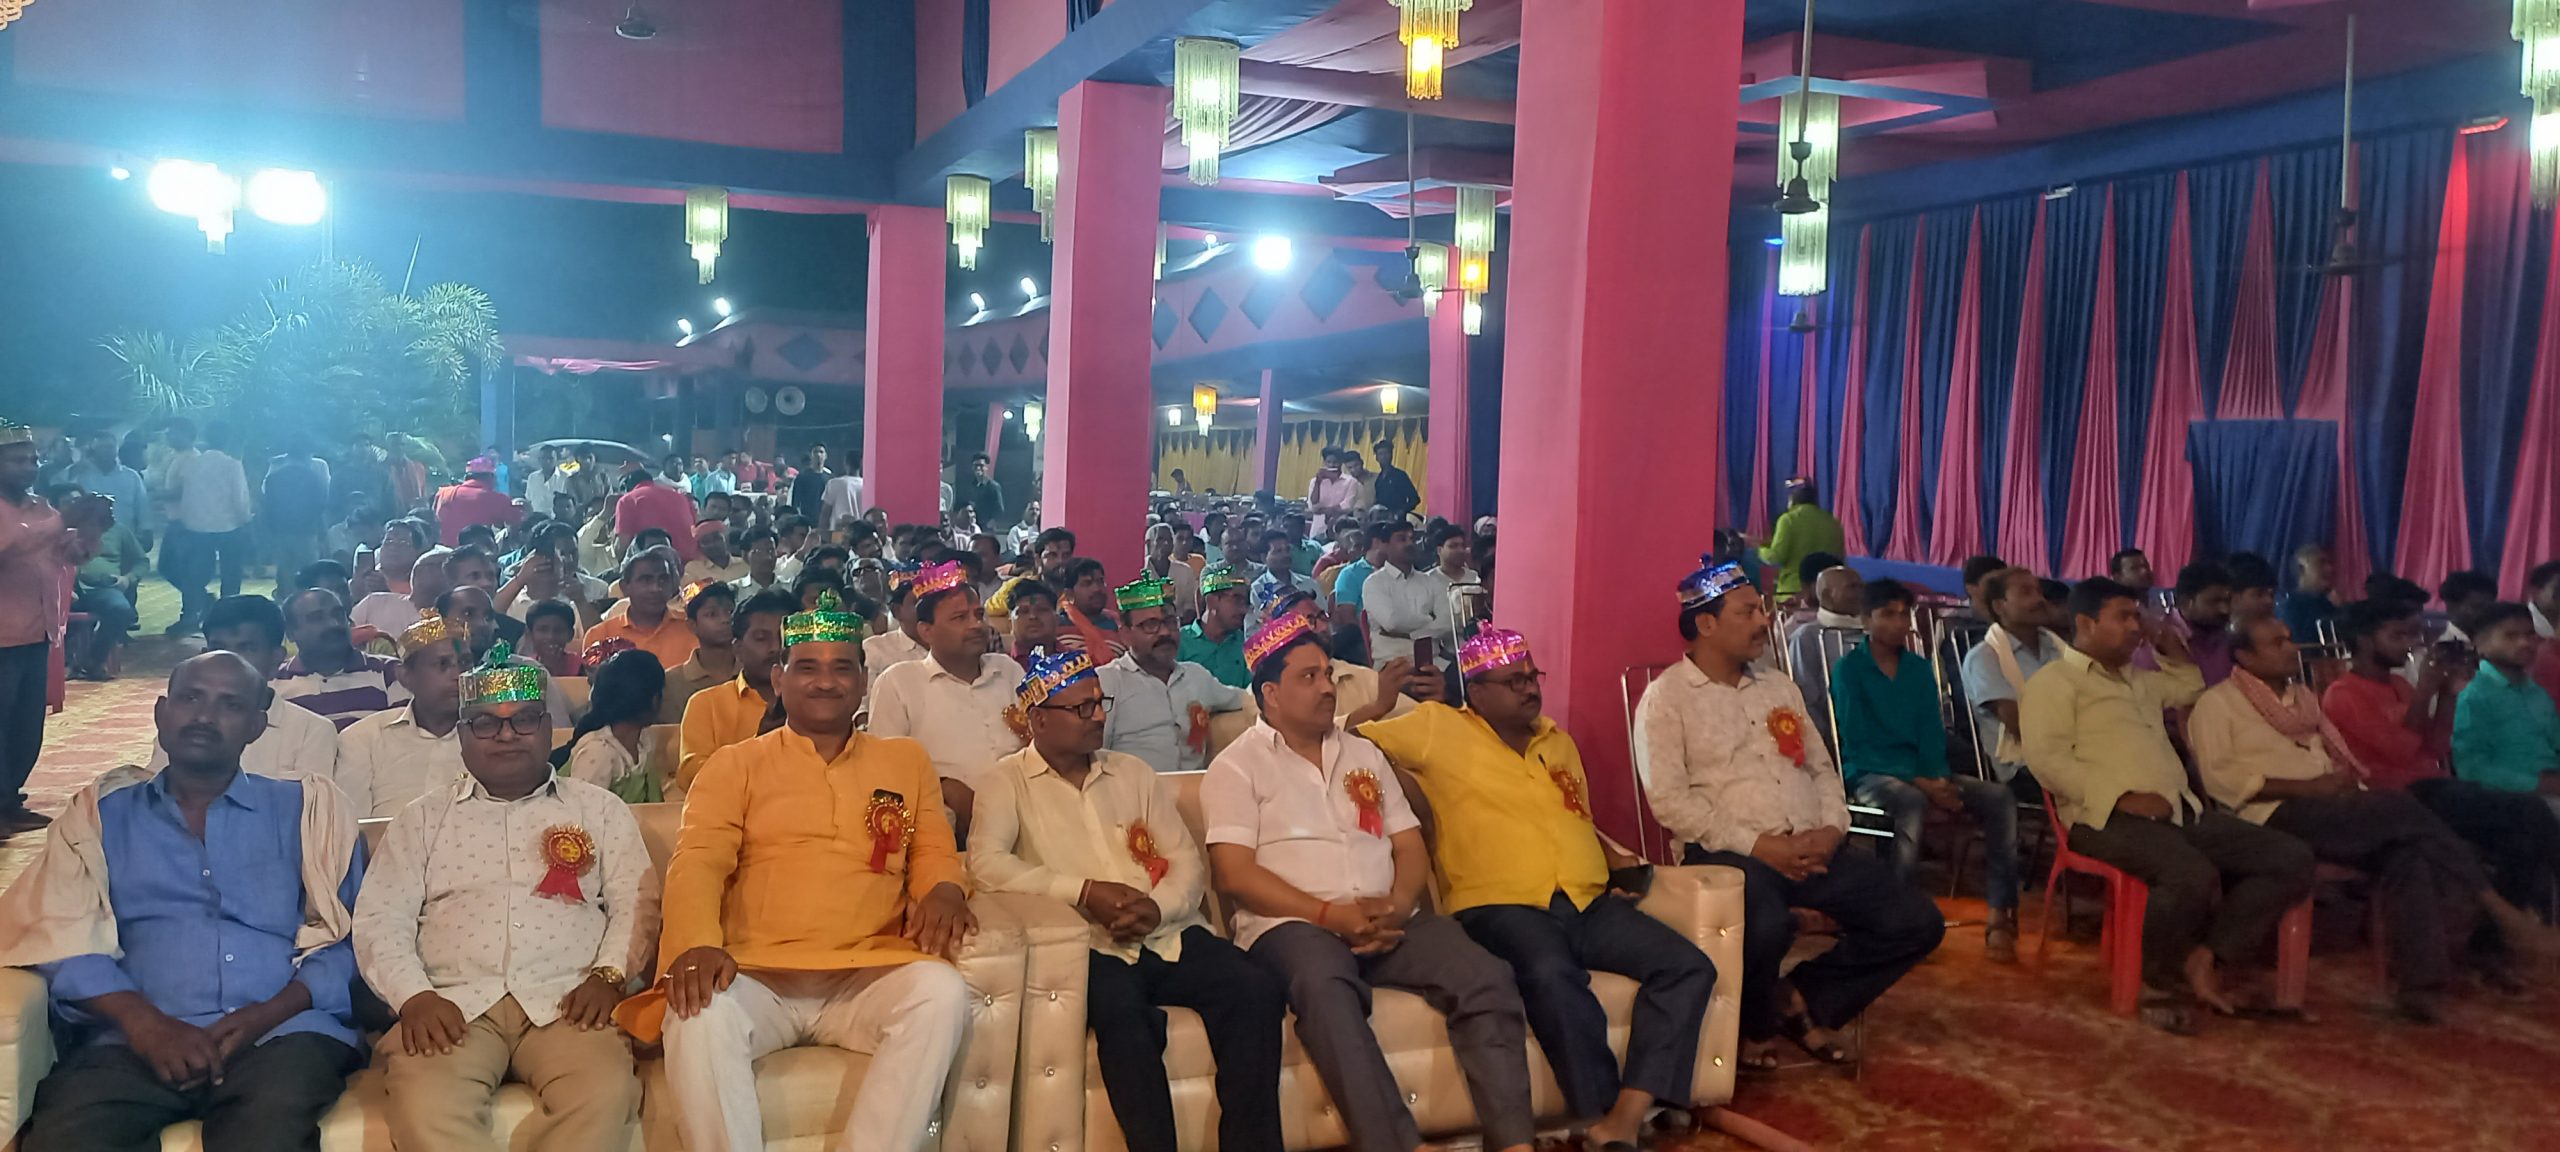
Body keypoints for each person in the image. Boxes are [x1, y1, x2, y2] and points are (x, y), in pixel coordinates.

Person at [623, 588, 976, 1152]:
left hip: (866, 972)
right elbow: (699, 860)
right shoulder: (735, 764)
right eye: (807, 667)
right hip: (754, 973)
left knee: (940, 992)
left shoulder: (905, 760)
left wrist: (944, 890)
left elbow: (934, 848)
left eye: (842, 668)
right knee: (697, 1013)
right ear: (779, 678)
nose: (825, 682)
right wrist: (694, 944)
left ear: (863, 681)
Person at [1353, 627, 1715, 1147]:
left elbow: (1573, 816)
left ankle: (1627, 1114)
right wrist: (1380, 704)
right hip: (1499, 904)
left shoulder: (1557, 741)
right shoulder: (1437, 726)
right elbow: (1349, 742)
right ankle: (1597, 1115)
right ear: (1477, 692)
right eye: (1513, 681)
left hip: (1586, 898)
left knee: (1687, 966)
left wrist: (1613, 862)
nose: (1529, 688)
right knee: (1549, 973)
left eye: (1531, 676)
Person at [0, 651, 365, 1152]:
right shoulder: (99, 816)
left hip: (281, 1035)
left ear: (257, 726)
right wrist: (146, 1025)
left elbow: (346, 939)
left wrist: (265, 1015)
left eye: (229, 704)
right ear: (160, 712)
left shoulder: (306, 812)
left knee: (267, 1132)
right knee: (67, 1139)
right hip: (134, 1039)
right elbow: (57, 935)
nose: (204, 716)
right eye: (190, 698)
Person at [1201, 612, 1537, 1152]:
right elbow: (1233, 873)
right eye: (1308, 677)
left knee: (1485, 975)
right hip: (1294, 925)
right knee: (1326, 989)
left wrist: (1400, 904)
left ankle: (1515, 1141)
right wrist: (1331, 915)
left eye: (1327, 674)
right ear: (1270, 694)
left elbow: (1409, 844)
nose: (1326, 687)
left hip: (1387, 915)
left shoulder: (1364, 753)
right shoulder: (1237, 767)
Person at [970, 649, 1285, 1152]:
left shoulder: (1133, 773)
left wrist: (1157, 908)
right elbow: (986, 865)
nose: (1098, 716)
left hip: (1167, 933)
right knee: (1124, 1017)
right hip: (1088, 946)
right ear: (1039, 720)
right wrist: (1084, 892)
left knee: (1255, 989)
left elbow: (1184, 861)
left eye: (1100, 703)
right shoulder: (1004, 781)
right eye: (1082, 708)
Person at [1635, 561, 1942, 1067]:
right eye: (1747, 612)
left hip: (1812, 847)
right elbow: (1670, 802)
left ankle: (1802, 999)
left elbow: (1822, 769)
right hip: (1728, 853)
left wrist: (1832, 829)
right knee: (1765, 924)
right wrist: (1761, 846)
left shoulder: (1779, 687)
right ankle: (1755, 1025)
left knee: (1917, 920)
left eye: (1761, 609)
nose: (1763, 621)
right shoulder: (1667, 699)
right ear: (1706, 624)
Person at [2192, 613, 2557, 1020]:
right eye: (2277, 643)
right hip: (2273, 814)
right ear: (2244, 656)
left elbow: (2362, 757)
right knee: (2399, 808)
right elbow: (2222, 781)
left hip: (2337, 807)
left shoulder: (2303, 700)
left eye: (2289, 638)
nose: (2292, 648)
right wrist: (2310, 788)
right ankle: (2497, 908)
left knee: (2408, 854)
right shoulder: (2217, 705)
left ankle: (2418, 989)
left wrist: (2337, 783)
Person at [353, 646, 647, 1151]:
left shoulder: (600, 809)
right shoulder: (421, 819)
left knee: (603, 1095)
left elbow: (635, 902)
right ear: (463, 735)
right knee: (425, 1110)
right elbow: (381, 918)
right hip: (451, 1005)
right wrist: (414, 997)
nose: (507, 735)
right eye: (487, 723)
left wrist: (609, 976)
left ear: (548, 728)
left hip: (571, 1002)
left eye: (524, 720)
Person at [2021, 577, 2314, 1033]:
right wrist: (2121, 798)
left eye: (2137, 616)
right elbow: (2047, 761)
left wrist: (2169, 646)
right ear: (2086, 623)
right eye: (2123, 617)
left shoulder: (2140, 681)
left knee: (2290, 857)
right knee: (2190, 873)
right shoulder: (2053, 683)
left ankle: (2208, 957)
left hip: (2177, 811)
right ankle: (2155, 981)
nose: (2135, 626)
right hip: (2103, 818)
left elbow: (2191, 686)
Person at [2326, 598, 2560, 926]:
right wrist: (2425, 691)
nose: (2409, 644)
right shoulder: (2343, 694)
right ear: (2365, 641)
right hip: (2396, 797)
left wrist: (2447, 694)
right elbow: (2400, 750)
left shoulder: (2399, 685)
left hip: (2435, 787)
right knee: (2530, 811)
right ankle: (2509, 928)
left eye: (2411, 635)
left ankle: (2495, 934)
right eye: (2397, 636)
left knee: (2521, 835)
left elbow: (2435, 748)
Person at [1831, 579, 2021, 960]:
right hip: (1868, 771)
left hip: (1924, 772)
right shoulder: (1849, 669)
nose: (1899, 623)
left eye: (1904, 615)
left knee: (1999, 797)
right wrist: (1924, 783)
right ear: (1866, 620)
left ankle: (2001, 914)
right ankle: (1895, 916)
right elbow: (1858, 745)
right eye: (1888, 614)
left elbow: (1933, 733)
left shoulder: (1918, 669)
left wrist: (1937, 779)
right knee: (1911, 801)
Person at [2, 423, 104, 831]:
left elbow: (67, 555)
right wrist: (61, 522)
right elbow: (7, 546)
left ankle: (9, 800)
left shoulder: (40, 507)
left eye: (33, 460)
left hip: (38, 632)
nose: (29, 467)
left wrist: (91, 529)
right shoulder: (42, 516)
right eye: (17, 461)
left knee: (26, 726)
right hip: (2, 638)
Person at [868, 564, 1027, 823]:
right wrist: (942, 787)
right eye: (960, 618)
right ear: (926, 631)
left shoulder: (1008, 670)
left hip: (1027, 807)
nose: (976, 625)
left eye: (979, 615)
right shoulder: (898, 682)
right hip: (947, 820)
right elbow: (885, 767)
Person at [144, 596, 339, 784]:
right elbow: (157, 792)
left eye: (247, 648)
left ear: (275, 659)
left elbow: (309, 803)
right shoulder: (185, 720)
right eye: (218, 648)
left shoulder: (311, 731)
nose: (230, 660)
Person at [1098, 577, 1248, 775]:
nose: (1164, 633)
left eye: (1170, 622)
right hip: (1134, 790)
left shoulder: (1195, 675)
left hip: (1195, 787)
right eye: (1150, 625)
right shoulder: (1108, 681)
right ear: (1125, 634)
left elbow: (1246, 700)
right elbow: (1093, 754)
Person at [336, 613, 470, 819]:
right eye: (442, 664)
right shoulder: (363, 738)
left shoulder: (492, 735)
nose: (458, 675)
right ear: (405, 676)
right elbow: (352, 825)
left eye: (465, 663)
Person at [675, 589, 795, 794]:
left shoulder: (817, 700)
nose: (776, 648)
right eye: (761, 638)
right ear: (737, 649)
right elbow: (693, 775)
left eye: (786, 638)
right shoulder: (706, 704)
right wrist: (758, 748)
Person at [1958, 569, 2068, 785]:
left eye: (2039, 592)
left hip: (2074, 751)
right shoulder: (1985, 657)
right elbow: (2020, 726)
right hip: (2023, 767)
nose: (2039, 600)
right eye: (2026, 593)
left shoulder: (2057, 646)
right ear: (2000, 606)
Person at [2450, 601, 2560, 816]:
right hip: (2511, 801)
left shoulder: (2536, 693)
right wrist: (2538, 784)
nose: (2525, 643)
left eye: (2529, 635)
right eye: (2510, 636)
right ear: (2479, 644)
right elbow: (2471, 769)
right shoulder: (2473, 695)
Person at [161, 421, 254, 635]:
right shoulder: (233, 464)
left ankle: (190, 618)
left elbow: (187, 497)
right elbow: (240, 499)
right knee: (231, 576)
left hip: (197, 528)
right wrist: (245, 521)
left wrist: (188, 521)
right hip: (229, 528)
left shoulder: (192, 464)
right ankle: (229, 618)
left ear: (205, 438)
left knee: (193, 577)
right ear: (226, 440)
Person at [68, 483, 148, 680]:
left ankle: (94, 659)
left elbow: (141, 561)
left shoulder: (119, 531)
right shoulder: (63, 530)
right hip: (66, 588)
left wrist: (127, 579)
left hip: (102, 588)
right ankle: (64, 661)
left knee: (121, 610)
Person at [582, 548, 697, 670]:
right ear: (625, 587)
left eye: (663, 579)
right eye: (646, 580)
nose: (656, 588)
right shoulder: (601, 635)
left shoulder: (692, 628)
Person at [1361, 520, 1449, 671]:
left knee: (1465, 678)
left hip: (1432, 661)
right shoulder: (1374, 583)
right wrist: (1430, 619)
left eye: (1412, 539)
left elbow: (1446, 624)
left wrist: (1408, 634)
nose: (1410, 543)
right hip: (1392, 663)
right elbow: (1392, 622)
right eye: (1402, 539)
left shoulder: (1430, 581)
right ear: (1386, 545)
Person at [2139, 560, 2237, 686]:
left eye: (2227, 601)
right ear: (2186, 603)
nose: (2225, 609)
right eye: (2214, 601)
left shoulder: (2229, 639)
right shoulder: (2159, 640)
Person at [1757, 477, 1845, 601]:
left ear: (1792, 499)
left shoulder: (1788, 520)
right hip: (1827, 593)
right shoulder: (1833, 522)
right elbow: (1839, 559)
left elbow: (1775, 557)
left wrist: (1760, 549)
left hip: (1793, 593)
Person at [1181, 565, 1253, 688]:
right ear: (1212, 601)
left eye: (1246, 603)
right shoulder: (1180, 642)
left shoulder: (1245, 644)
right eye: (1237, 601)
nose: (1243, 610)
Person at [612, 468, 702, 563]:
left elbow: (622, 547)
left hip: (658, 566)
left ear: (627, 487)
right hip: (694, 564)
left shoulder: (627, 499)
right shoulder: (680, 497)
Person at [433, 457, 522, 547]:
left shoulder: (443, 493)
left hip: (444, 551)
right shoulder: (497, 499)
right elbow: (517, 522)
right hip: (477, 552)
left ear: (466, 477)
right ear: (490, 478)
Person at [864, 567, 933, 673]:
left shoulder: (953, 643)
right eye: (919, 603)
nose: (929, 609)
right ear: (896, 611)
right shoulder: (874, 650)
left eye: (933, 602)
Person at [1058, 558, 1125, 656]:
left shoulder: (1119, 624)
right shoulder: (1058, 627)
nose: (1097, 589)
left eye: (1100, 581)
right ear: (1069, 593)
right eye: (1087, 584)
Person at [1141, 522, 1202, 623]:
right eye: (1160, 539)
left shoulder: (1185, 571)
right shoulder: (1140, 570)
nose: (1166, 543)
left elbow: (1190, 605)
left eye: (1169, 540)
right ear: (1148, 543)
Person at [1248, 532, 1313, 626]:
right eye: (1278, 551)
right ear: (1264, 558)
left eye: (1287, 550)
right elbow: (1254, 628)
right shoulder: (1258, 589)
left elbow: (1324, 616)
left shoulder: (1308, 583)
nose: (1285, 555)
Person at [2279, 545, 2338, 644]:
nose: (2330, 569)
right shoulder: (2289, 608)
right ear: (2301, 569)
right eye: (2321, 563)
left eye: (2329, 563)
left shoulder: (2328, 605)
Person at [1304, 448, 1359, 538]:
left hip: (1340, 529)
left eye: (1335, 462)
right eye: (1328, 462)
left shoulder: (1351, 482)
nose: (1332, 465)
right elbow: (1313, 506)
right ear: (1324, 463)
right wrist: (1318, 482)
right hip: (1318, 529)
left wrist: (1323, 511)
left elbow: (1347, 506)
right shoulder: (1314, 481)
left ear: (1341, 463)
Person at [522, 600, 584, 678]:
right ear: (529, 634)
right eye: (543, 630)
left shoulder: (582, 667)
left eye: (559, 630)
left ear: (570, 635)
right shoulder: (524, 668)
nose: (551, 637)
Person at [2437, 570, 2500, 647]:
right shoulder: (2441, 646)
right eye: (2476, 607)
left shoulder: (2497, 640)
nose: (2484, 613)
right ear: (2451, 605)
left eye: (2489, 608)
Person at [1371, 438, 1419, 521]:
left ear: (1392, 455)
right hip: (1381, 519)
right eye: (1381, 454)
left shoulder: (1400, 475)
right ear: (1377, 458)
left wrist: (1402, 511)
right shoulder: (1378, 479)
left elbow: (1415, 499)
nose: (1384, 456)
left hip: (1397, 519)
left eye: (1387, 453)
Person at [789, 445, 834, 523]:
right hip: (806, 519)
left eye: (821, 452)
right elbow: (796, 502)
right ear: (811, 455)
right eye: (815, 452)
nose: (818, 455)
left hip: (825, 520)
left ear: (826, 456)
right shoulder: (802, 477)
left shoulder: (830, 479)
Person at [961, 452, 1005, 526]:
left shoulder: (993, 486)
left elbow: (999, 510)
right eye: (976, 466)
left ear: (986, 467)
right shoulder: (970, 486)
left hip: (986, 527)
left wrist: (991, 523)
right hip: (971, 526)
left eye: (981, 465)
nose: (978, 468)